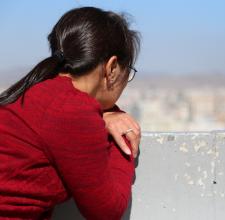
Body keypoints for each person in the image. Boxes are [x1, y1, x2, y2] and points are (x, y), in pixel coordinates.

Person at [0, 7, 141, 220]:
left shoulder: (40, 92)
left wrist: (105, 114)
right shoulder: (72, 110)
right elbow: (107, 211)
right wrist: (124, 137)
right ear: (111, 68)